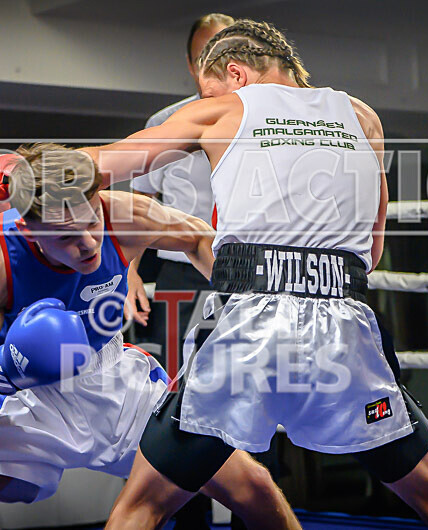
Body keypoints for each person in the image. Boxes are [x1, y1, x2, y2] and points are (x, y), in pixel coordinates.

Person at [78, 19, 428, 529]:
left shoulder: (220, 109)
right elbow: (373, 249)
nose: (206, 97)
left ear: (234, 73)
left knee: (143, 505)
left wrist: (18, 174)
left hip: (246, 327)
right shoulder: (363, 118)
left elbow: (97, 167)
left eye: (210, 88)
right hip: (345, 328)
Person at [0, 144, 298, 530]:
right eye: (66, 235)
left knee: (255, 488)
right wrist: (11, 365)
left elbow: (198, 237)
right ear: (29, 230)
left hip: (118, 384)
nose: (88, 244)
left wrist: (244, 303)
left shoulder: (124, 216)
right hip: (27, 398)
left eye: (91, 221)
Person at [126, 13, 234, 529]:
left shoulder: (270, 124)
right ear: (193, 66)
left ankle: (255, 518)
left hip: (249, 272)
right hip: (182, 280)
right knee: (180, 402)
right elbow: (135, 207)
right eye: (205, 54)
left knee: (256, 396)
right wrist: (127, 270)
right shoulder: (165, 125)